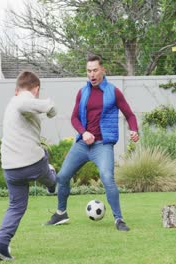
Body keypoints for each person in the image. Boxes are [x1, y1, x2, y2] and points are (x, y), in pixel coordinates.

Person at [45, 55, 139, 231]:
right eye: (89, 71)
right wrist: (83, 132)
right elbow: (74, 118)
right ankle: (61, 213)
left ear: (103, 70)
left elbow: (130, 115)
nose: (92, 74)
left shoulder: (113, 92)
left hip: (102, 145)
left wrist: (134, 129)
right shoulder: (83, 92)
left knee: (107, 177)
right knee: (63, 176)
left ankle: (119, 219)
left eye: (95, 70)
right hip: (82, 144)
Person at [0, 70, 57, 261]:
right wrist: (50, 106)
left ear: (15, 88)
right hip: (32, 163)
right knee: (48, 173)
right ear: (36, 89)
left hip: (10, 168)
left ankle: (1, 245)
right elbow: (28, 104)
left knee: (16, 206)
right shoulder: (20, 100)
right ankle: (52, 183)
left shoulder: (12, 103)